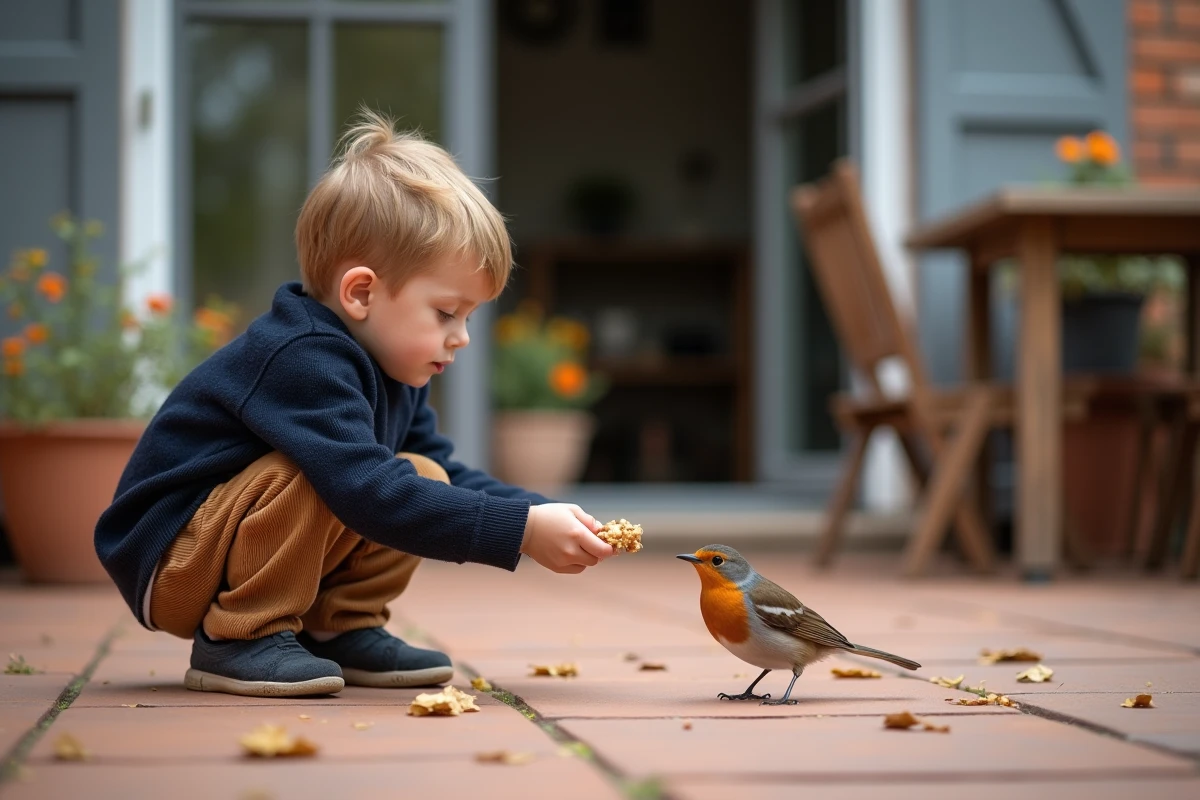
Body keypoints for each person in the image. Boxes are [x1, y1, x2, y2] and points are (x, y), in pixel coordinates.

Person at [94, 109, 614, 698]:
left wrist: (537, 514)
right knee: (330, 473)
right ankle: (241, 636)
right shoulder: (303, 356)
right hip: (173, 557)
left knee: (424, 473)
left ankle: (335, 628)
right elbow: (364, 489)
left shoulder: (397, 373)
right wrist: (516, 531)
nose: (461, 336)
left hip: (226, 543)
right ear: (361, 292)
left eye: (469, 317)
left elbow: (443, 482)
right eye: (446, 312)